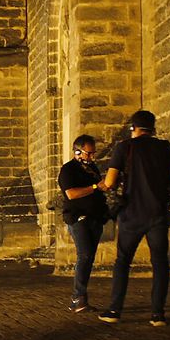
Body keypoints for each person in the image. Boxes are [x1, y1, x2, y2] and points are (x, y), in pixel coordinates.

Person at [97, 110, 170, 326]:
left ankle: (115, 310)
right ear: (153, 128)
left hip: (131, 214)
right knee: (160, 262)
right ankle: (157, 314)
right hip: (158, 213)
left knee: (123, 261)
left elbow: (109, 181)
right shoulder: (165, 147)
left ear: (133, 128)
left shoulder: (124, 147)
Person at [58, 134, 108, 313]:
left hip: (95, 218)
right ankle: (77, 297)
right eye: (89, 153)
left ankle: (80, 298)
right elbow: (71, 193)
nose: (92, 157)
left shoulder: (92, 168)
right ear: (77, 151)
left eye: (93, 153)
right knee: (84, 256)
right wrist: (95, 187)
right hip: (79, 219)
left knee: (89, 258)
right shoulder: (68, 170)